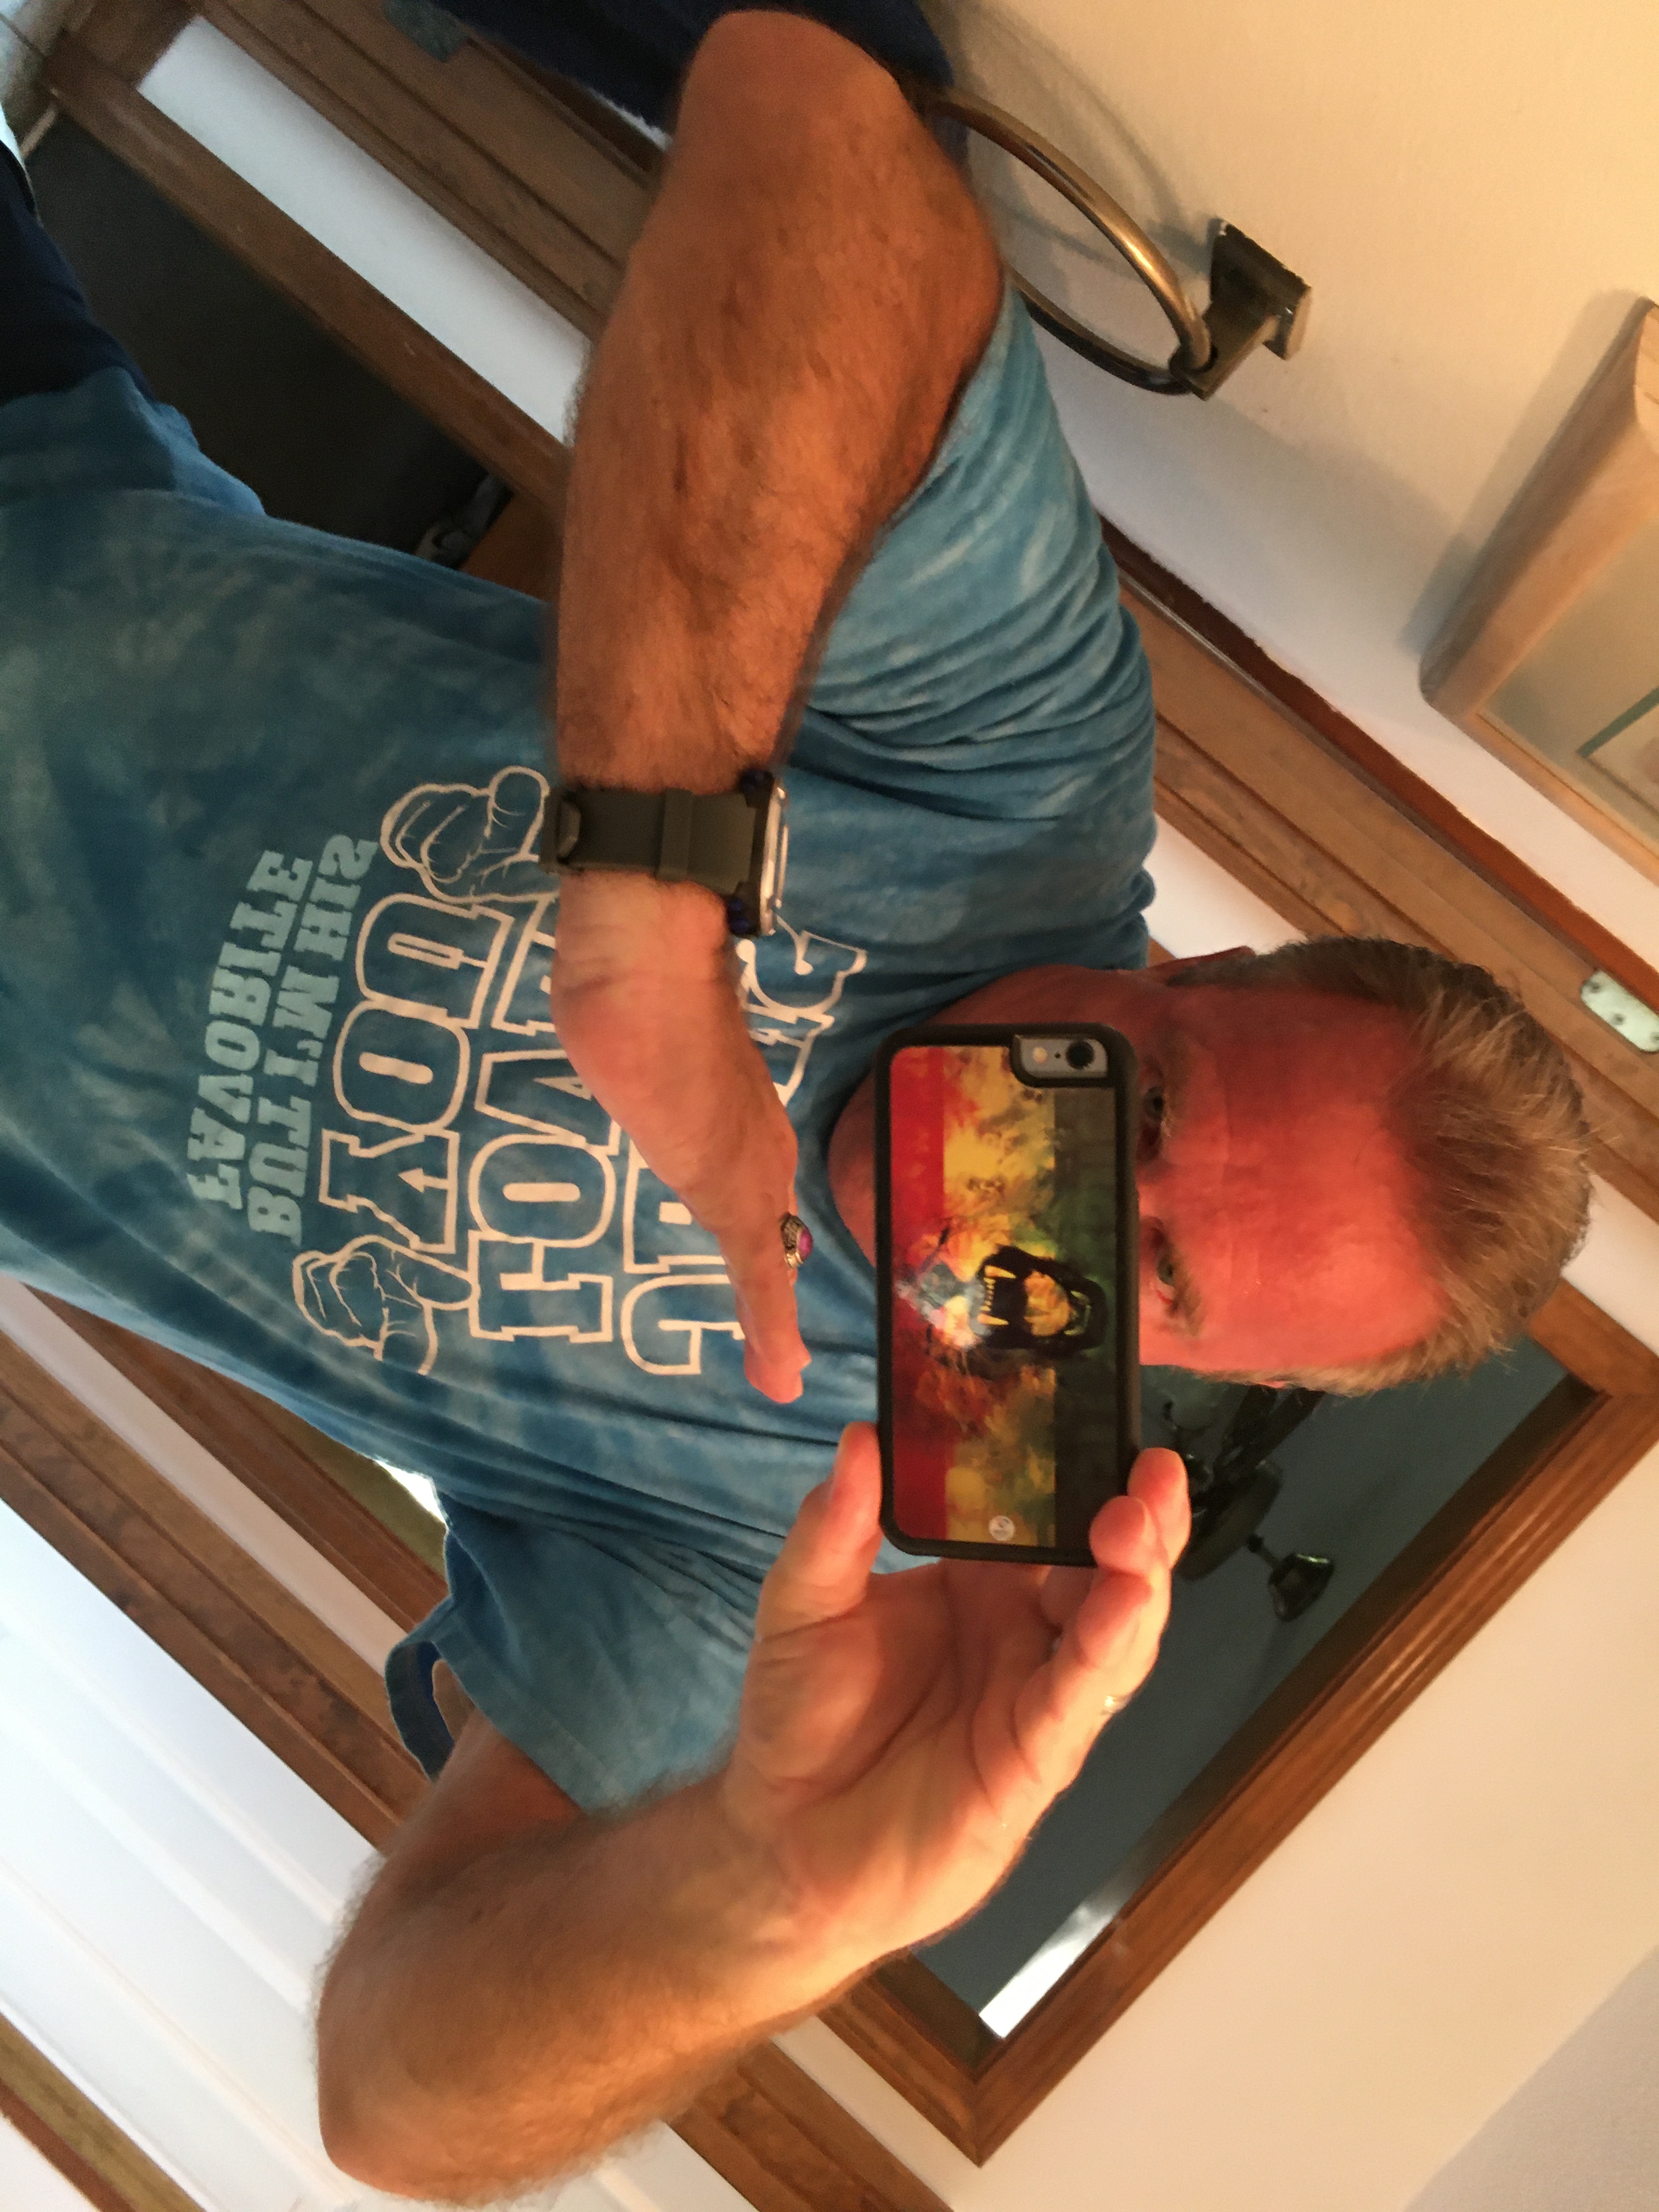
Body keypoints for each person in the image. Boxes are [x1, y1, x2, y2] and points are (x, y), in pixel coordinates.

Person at [0, 13, 1589, 2198]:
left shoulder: (836, 1531)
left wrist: (776, 1895)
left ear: (1184, 1368)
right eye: (1139, 1100)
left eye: (1147, 1268)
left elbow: (398, 2096)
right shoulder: (1023, 792)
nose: (1020, 1200)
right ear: (1199, 974)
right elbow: (813, 113)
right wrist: (654, 877)